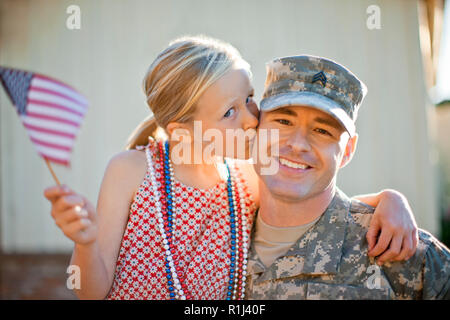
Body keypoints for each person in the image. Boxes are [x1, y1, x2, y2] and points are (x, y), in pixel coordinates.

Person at [44, 36, 418, 300]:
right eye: (229, 112)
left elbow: (315, 202)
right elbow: (91, 291)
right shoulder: (131, 171)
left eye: (250, 99)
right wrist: (85, 241)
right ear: (182, 132)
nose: (252, 119)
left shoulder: (245, 176)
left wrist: (389, 199)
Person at [246, 55, 450, 300]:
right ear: (255, 129)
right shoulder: (216, 237)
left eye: (322, 130)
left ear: (348, 151)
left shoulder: (402, 253)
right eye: (283, 121)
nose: (298, 144)